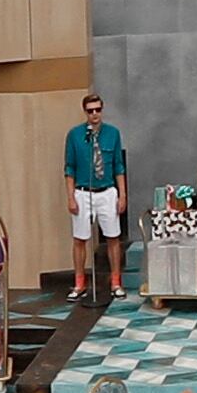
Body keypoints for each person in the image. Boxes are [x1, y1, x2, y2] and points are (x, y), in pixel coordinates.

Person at [64, 92, 131, 301]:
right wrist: (70, 197)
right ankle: (79, 283)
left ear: (102, 110)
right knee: (80, 239)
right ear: (85, 112)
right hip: (83, 191)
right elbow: (69, 168)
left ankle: (116, 281)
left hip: (107, 190)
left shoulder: (112, 133)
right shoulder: (75, 135)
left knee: (113, 237)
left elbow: (118, 166)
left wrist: (122, 194)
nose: (94, 114)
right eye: (90, 111)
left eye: (98, 110)